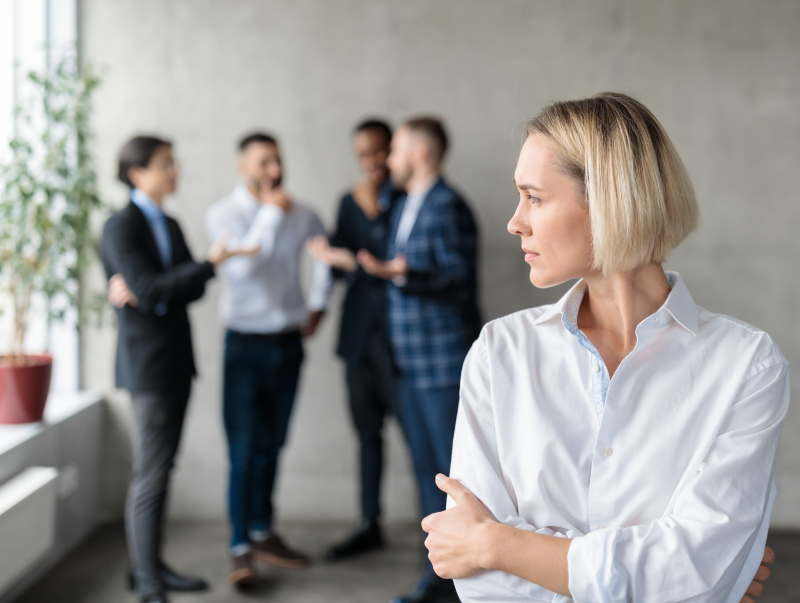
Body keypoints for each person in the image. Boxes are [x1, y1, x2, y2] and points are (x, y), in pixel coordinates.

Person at [421, 93, 784, 603]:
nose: (514, 221)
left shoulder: (747, 365)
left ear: (608, 200)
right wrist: (676, 580)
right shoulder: (499, 352)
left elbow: (698, 569)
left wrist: (496, 543)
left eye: (535, 197)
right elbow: (485, 587)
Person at [101, 136, 256, 603]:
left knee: (163, 467)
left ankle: (149, 566)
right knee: (150, 472)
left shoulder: (167, 222)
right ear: (137, 173)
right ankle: (148, 582)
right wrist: (194, 271)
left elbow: (185, 290)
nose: (175, 172)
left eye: (174, 163)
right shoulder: (119, 226)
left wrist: (165, 287)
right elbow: (154, 289)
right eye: (166, 164)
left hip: (175, 362)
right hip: (147, 366)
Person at [358, 117, 481, 603]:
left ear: (420, 153)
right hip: (407, 363)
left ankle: (458, 582)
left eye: (395, 151)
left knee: (454, 479)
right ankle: (440, 576)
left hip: (442, 362)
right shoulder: (407, 202)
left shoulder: (449, 206)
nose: (386, 160)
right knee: (426, 473)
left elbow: (458, 277)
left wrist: (404, 273)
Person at [205, 132, 331, 587]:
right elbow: (241, 270)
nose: (273, 171)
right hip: (244, 345)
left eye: (277, 161)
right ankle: (240, 546)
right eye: (262, 163)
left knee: (273, 444)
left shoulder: (303, 213)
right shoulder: (223, 215)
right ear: (243, 167)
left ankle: (262, 531)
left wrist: (318, 306)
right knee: (244, 451)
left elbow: (325, 257)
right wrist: (271, 217)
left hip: (287, 344)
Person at [307, 119, 399, 560]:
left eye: (379, 152)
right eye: (363, 155)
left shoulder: (407, 197)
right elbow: (334, 263)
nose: (372, 163)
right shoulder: (347, 202)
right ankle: (369, 522)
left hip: (402, 340)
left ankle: (438, 534)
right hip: (359, 337)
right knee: (366, 435)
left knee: (423, 440)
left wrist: (351, 258)